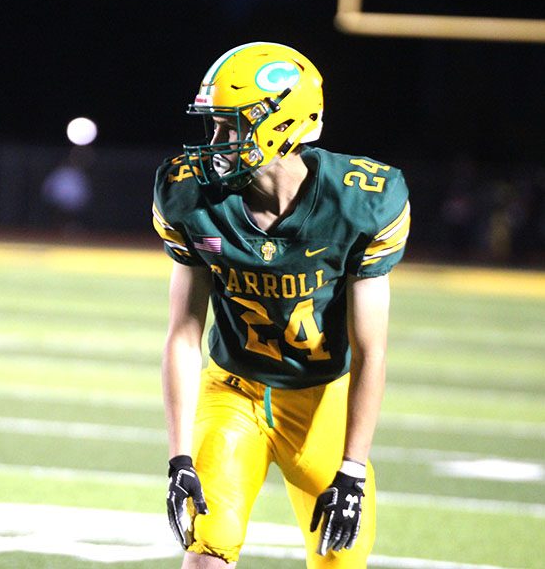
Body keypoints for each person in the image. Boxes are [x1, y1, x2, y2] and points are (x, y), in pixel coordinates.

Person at [152, 42, 410, 568]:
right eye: (215, 126)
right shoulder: (191, 196)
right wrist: (179, 456)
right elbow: (183, 331)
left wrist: (353, 467)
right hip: (232, 392)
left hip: (320, 403)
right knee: (206, 552)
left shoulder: (362, 199)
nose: (217, 142)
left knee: (340, 559)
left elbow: (371, 351)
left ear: (283, 123)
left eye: (232, 126)